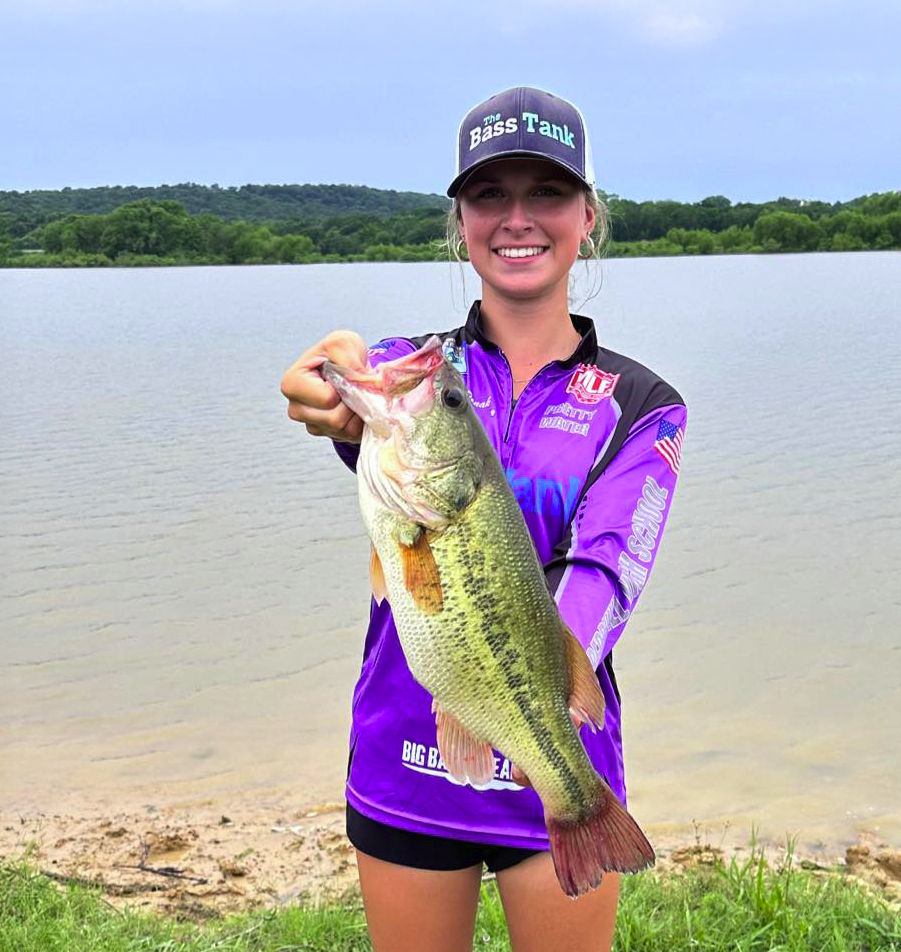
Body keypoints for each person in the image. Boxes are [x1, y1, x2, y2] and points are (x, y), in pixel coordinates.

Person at [280, 87, 686, 952]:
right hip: (403, 758)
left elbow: (607, 569)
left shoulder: (642, 403)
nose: (517, 218)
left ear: (586, 217)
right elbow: (344, 390)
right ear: (460, 222)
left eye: (547, 193)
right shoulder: (419, 371)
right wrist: (330, 383)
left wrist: (526, 699)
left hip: (553, 759)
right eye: (489, 195)